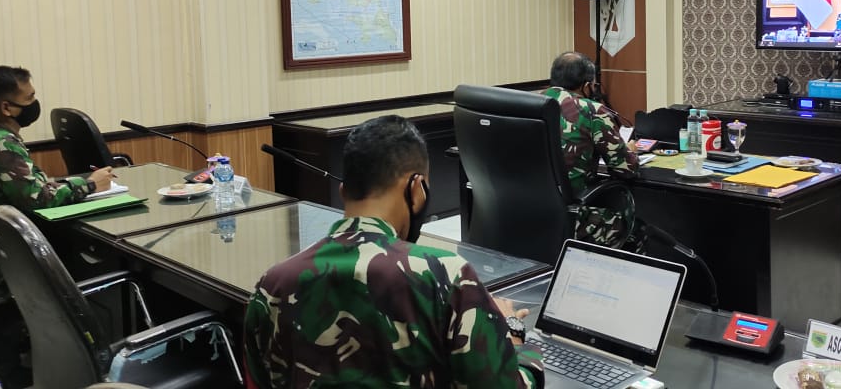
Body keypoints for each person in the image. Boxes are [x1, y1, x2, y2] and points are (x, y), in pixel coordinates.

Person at [244, 115, 543, 388]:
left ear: (344, 191)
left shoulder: (272, 286)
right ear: (417, 188)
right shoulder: (445, 276)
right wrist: (514, 334)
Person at [0, 65, 115, 293]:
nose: (34, 104)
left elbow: (28, 184)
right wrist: (90, 184)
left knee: (58, 245)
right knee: (58, 258)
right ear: (6, 107)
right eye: (29, 98)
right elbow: (38, 199)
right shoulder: (1, 144)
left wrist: (69, 184)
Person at [543, 51, 645, 252]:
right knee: (635, 228)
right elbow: (626, 169)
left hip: (521, 211)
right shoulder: (592, 111)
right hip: (569, 215)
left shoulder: (529, 103)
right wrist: (630, 150)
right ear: (586, 85)